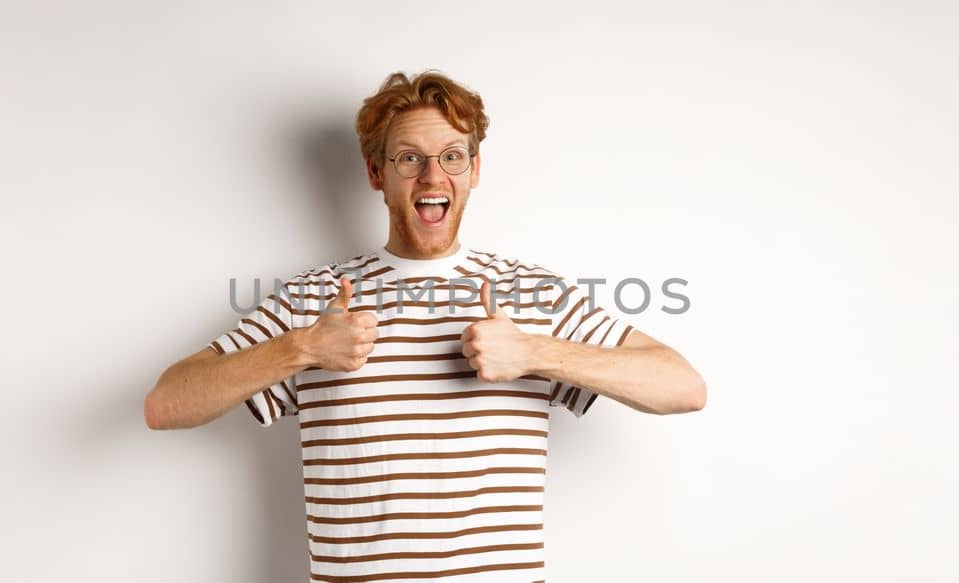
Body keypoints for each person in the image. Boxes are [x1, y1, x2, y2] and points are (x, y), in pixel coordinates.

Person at [144, 70, 706, 582]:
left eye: (453, 156)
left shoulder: (532, 295)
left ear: (475, 171)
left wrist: (537, 353)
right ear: (376, 173)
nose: (432, 174)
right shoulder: (315, 300)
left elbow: (683, 387)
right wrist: (302, 348)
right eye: (409, 158)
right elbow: (166, 404)